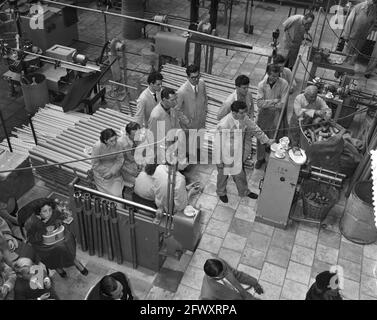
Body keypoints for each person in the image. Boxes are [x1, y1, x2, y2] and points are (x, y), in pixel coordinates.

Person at [216, 101, 274, 203]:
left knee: (240, 174)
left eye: (245, 112)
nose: (244, 115)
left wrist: (267, 140)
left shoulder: (244, 118)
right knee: (223, 175)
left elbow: (255, 129)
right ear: (234, 113)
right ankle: (221, 192)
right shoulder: (224, 124)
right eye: (241, 113)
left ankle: (244, 191)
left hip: (237, 153)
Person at [24, 198, 88, 278]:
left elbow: (61, 217)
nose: (49, 213)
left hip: (60, 237)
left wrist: (58, 222)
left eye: (50, 210)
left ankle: (75, 262)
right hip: (43, 245)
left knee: (65, 246)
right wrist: (43, 232)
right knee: (52, 256)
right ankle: (59, 269)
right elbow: (30, 238)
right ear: (38, 213)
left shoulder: (54, 213)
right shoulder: (31, 222)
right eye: (45, 211)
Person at [255, 64, 289, 169]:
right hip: (264, 114)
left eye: (277, 76)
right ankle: (260, 158)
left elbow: (283, 104)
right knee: (261, 136)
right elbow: (259, 103)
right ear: (268, 74)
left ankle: (272, 157)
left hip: (277, 114)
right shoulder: (261, 85)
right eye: (273, 76)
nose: (275, 78)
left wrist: (269, 103)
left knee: (275, 135)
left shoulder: (284, 84)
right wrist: (274, 101)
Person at [176, 64, 208, 160]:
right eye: (193, 78)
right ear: (188, 77)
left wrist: (205, 110)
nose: (196, 80)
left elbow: (205, 98)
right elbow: (176, 109)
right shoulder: (182, 91)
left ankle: (196, 154)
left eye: (197, 76)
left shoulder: (202, 84)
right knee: (188, 144)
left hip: (200, 121)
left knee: (198, 140)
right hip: (189, 124)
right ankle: (185, 159)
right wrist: (186, 121)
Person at [148, 88, 182, 162]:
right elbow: (152, 137)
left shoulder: (172, 109)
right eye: (172, 100)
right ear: (164, 99)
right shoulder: (156, 116)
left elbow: (176, 124)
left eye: (175, 99)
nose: (175, 102)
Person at [92, 128, 125, 198]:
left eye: (115, 139)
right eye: (111, 141)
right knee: (107, 195)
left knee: (117, 194)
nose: (114, 143)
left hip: (114, 168)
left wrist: (112, 171)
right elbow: (95, 164)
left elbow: (120, 159)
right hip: (101, 171)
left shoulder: (118, 144)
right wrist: (107, 172)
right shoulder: (97, 147)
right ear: (105, 141)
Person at [342, 0, 377, 65]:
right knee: (346, 53)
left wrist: (367, 33)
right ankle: (339, 71)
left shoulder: (374, 10)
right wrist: (346, 34)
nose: (374, 3)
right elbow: (349, 21)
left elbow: (373, 22)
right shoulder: (358, 7)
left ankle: (348, 68)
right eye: (373, 2)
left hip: (362, 37)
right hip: (352, 36)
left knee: (355, 54)